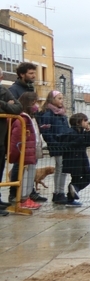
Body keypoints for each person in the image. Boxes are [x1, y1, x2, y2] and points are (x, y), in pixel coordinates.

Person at [8, 63, 47, 204]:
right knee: (20, 164)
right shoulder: (14, 89)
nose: (34, 76)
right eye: (31, 73)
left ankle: (30, 192)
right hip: (21, 130)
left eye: (34, 73)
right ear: (22, 74)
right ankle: (14, 194)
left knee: (31, 163)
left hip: (31, 128)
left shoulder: (31, 88)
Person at [37, 90, 80, 206]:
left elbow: (65, 129)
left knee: (63, 168)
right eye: (59, 98)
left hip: (64, 144)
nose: (62, 101)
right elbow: (46, 131)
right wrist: (54, 143)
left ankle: (59, 192)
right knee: (60, 167)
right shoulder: (48, 114)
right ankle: (58, 193)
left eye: (62, 98)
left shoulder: (62, 113)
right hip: (57, 144)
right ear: (52, 100)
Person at [9, 92, 42, 210]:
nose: (37, 105)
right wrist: (15, 153)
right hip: (25, 152)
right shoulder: (22, 118)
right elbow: (16, 137)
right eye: (35, 102)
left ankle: (27, 197)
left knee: (30, 175)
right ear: (28, 103)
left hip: (32, 151)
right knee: (25, 175)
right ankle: (23, 198)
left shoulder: (31, 117)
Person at [61, 113, 90, 202]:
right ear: (78, 122)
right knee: (76, 177)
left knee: (89, 175)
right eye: (85, 120)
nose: (87, 122)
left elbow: (89, 142)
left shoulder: (82, 132)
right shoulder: (70, 132)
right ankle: (71, 198)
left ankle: (75, 189)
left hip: (82, 158)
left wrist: (88, 132)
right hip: (73, 159)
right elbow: (67, 145)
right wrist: (80, 138)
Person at [0, 83, 22, 212]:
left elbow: (18, 108)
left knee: (0, 169)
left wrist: (2, 104)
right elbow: (12, 108)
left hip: (1, 138)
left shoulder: (3, 89)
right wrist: (8, 106)